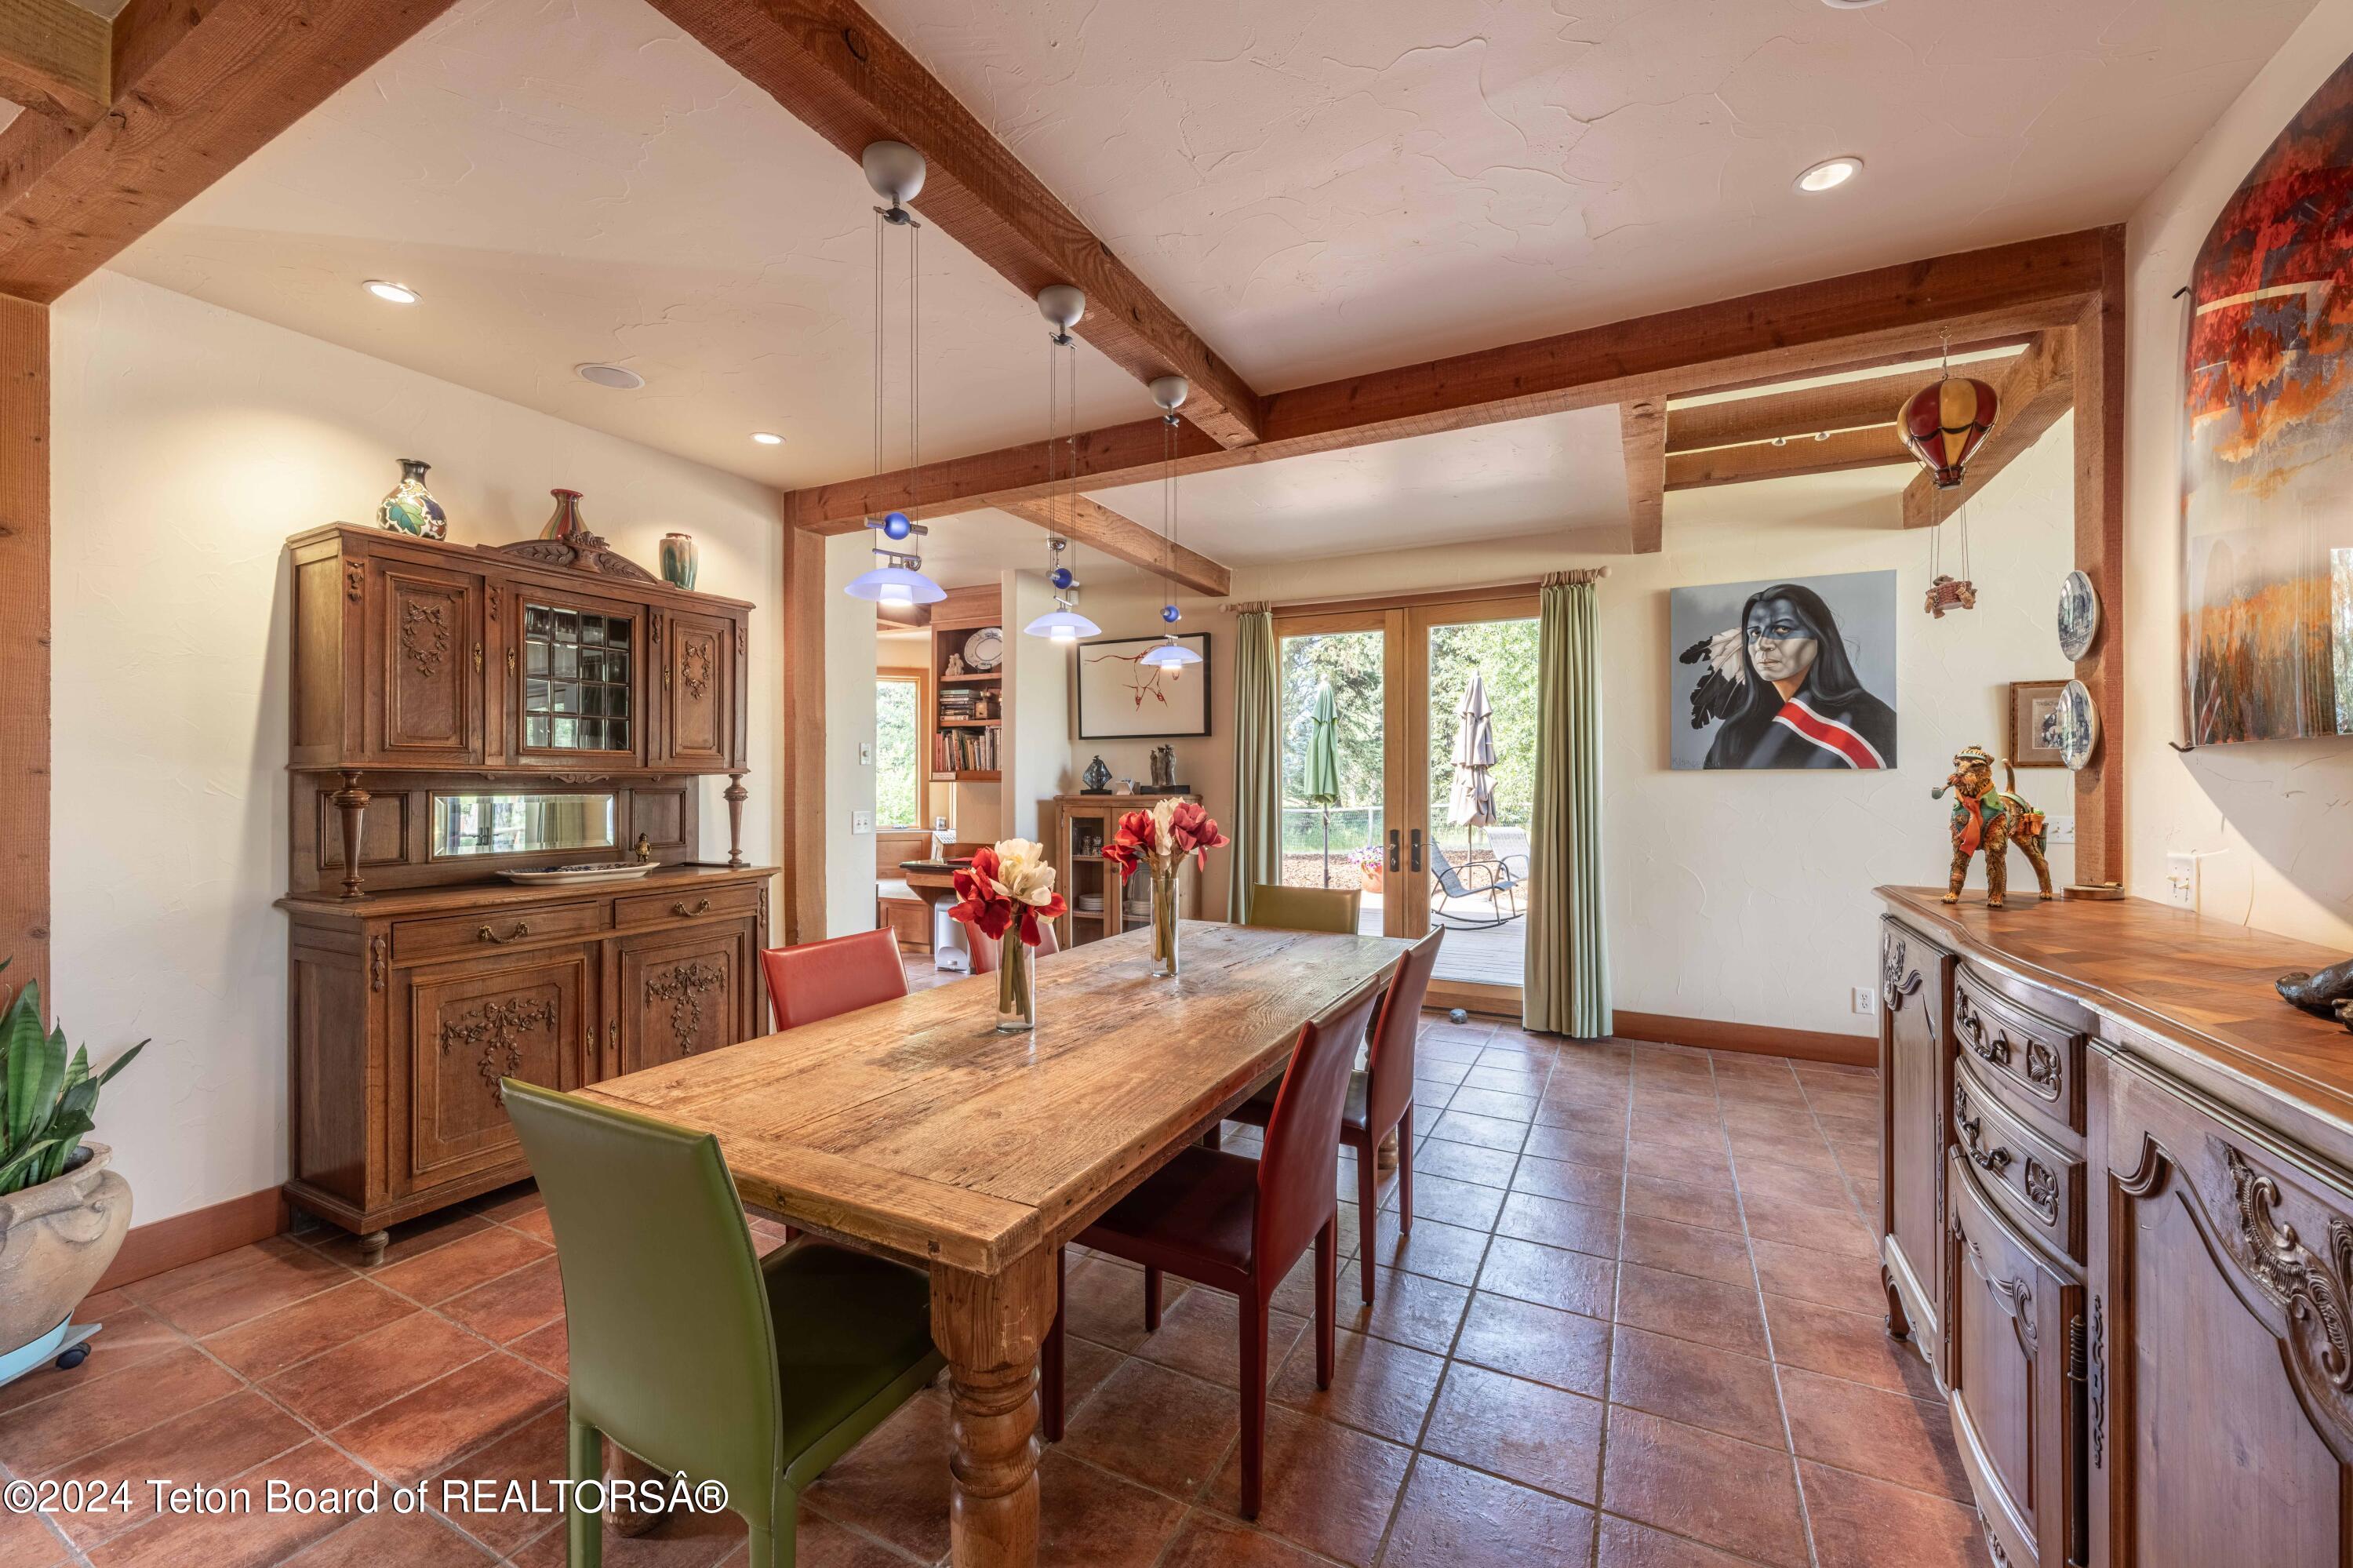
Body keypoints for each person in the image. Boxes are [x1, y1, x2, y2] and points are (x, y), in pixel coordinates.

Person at [1680, 583, 1895, 769]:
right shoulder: (1735, 733)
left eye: (1782, 629)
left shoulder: (1869, 721)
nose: (1762, 644)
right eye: (1754, 633)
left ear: (1819, 637)